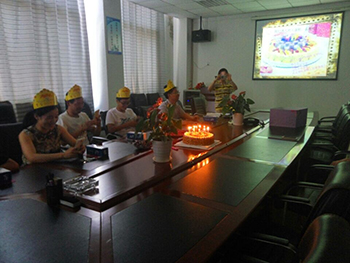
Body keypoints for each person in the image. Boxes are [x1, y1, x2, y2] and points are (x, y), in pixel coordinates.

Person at [19, 89, 84, 165]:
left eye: (56, 117)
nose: (54, 120)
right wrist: (63, 155)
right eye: (49, 117)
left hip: (57, 168)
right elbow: (32, 157)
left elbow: (75, 143)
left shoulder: (59, 129)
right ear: (37, 116)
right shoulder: (25, 135)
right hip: (33, 170)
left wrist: (80, 148)